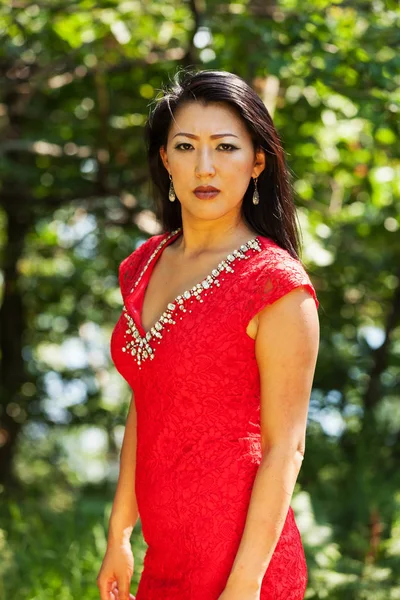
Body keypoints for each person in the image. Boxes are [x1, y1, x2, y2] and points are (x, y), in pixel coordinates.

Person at [97, 68, 320, 600]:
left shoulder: (276, 284)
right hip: (164, 559)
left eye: (225, 147)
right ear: (164, 160)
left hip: (243, 567)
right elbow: (145, 404)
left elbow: (284, 448)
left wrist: (244, 585)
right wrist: (119, 532)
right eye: (185, 146)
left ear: (257, 162)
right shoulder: (142, 266)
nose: (205, 167)